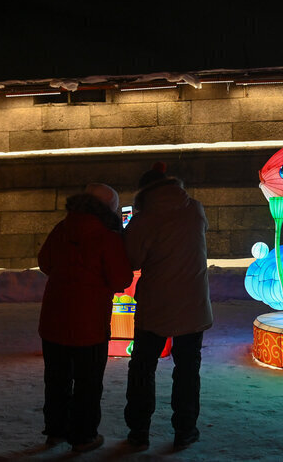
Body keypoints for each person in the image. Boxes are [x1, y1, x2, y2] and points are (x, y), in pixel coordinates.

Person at [122, 162, 213, 451]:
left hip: (156, 304)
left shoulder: (144, 220)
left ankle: (139, 432)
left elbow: (132, 260)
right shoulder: (195, 209)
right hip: (193, 303)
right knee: (187, 368)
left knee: (143, 367)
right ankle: (185, 430)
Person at [38, 183, 133, 452]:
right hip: (89, 324)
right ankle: (83, 436)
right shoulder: (107, 237)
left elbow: (45, 262)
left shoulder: (62, 228)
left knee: (56, 380)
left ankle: (55, 431)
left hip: (54, 319)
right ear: (109, 209)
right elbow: (121, 279)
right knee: (88, 383)